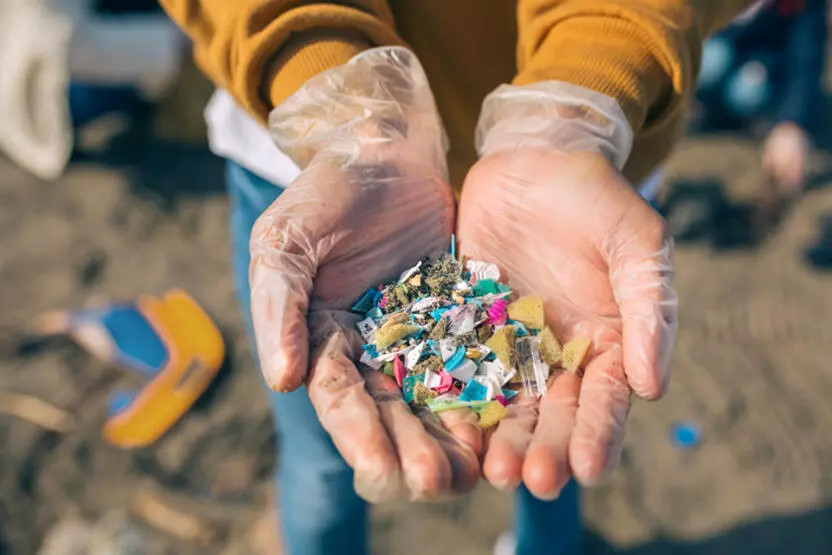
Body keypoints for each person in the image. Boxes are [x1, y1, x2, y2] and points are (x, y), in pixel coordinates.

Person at [159, 2, 753, 554]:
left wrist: (583, 97)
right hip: (321, 160)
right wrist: (334, 95)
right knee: (324, 451)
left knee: (554, 435)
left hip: (579, 179)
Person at [695, 0, 827, 195]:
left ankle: (733, 118)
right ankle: (702, 108)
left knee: (747, 92)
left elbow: (806, 57)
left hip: (763, 64)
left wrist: (791, 123)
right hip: (720, 44)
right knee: (709, 61)